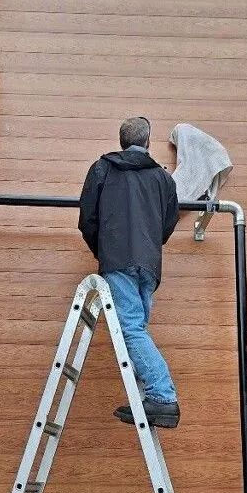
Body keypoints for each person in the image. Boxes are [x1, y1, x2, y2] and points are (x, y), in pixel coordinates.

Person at [78, 117, 181, 428]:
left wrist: (104, 250)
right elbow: (167, 223)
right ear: (147, 142)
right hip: (148, 263)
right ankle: (152, 396)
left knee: (131, 330)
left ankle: (162, 397)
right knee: (137, 328)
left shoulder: (102, 169)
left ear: (121, 141)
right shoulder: (163, 179)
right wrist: (150, 246)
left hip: (118, 258)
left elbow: (87, 218)